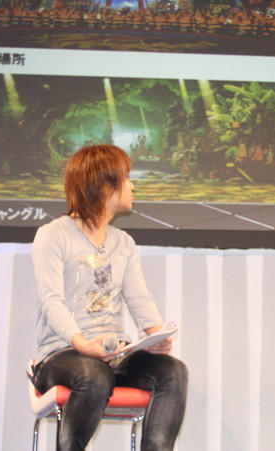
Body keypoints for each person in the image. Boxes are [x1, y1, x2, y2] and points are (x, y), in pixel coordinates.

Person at [30, 144, 188, 451]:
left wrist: (156, 335)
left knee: (173, 371)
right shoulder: (53, 234)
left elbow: (139, 298)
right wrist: (82, 343)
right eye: (126, 178)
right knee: (94, 374)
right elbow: (51, 301)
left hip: (115, 354)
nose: (132, 186)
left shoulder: (123, 242)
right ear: (104, 185)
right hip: (62, 354)